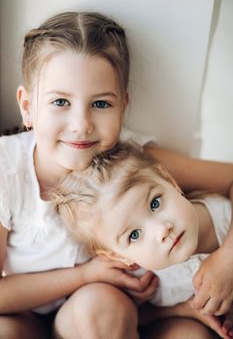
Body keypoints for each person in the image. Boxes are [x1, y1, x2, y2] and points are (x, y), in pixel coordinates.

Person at [0, 10, 233, 339]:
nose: (81, 124)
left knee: (169, 329)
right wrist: (85, 275)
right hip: (26, 313)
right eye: (61, 102)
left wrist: (230, 257)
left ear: (123, 105)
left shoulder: (136, 159)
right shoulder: (7, 169)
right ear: (27, 107)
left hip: (117, 313)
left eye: (100, 104)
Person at [52, 141, 233, 339]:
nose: (162, 229)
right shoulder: (140, 278)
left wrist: (228, 257)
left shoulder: (223, 217)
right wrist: (189, 310)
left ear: (170, 182)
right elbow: (139, 316)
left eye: (155, 203)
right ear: (118, 255)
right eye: (134, 235)